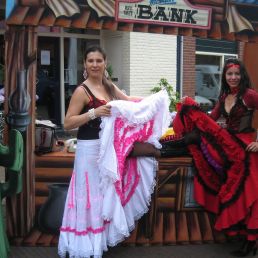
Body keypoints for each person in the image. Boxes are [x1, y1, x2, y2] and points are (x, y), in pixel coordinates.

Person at [58, 45, 170, 258]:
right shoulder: (82, 91)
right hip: (89, 150)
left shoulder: (108, 86)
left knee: (103, 195)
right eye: (90, 60)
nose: (94, 65)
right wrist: (94, 112)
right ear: (84, 64)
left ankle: (97, 243)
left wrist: (155, 102)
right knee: (88, 195)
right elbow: (67, 123)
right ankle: (83, 244)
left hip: (108, 149)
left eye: (98, 60)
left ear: (105, 62)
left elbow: (130, 104)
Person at [166, 58, 258, 257]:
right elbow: (210, 120)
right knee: (197, 129)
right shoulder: (224, 96)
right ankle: (175, 142)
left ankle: (251, 242)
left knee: (246, 196)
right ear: (224, 77)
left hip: (245, 148)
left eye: (236, 74)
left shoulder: (249, 95)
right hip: (229, 144)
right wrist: (189, 108)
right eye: (229, 74)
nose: (233, 77)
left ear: (242, 75)